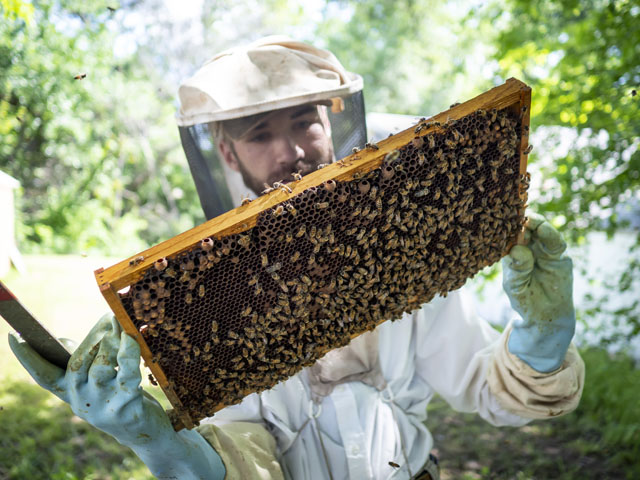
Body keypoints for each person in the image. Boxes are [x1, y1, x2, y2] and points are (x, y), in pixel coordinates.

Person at [9, 37, 585, 480]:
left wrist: (541, 338)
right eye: (260, 133)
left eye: (305, 120)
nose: (291, 151)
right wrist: (159, 442)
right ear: (227, 152)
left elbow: (489, 391)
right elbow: (243, 459)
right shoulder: (207, 291)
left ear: (331, 121)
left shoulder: (399, 244)